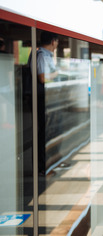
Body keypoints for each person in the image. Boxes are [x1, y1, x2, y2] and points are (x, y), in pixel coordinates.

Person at [28, 31, 59, 176]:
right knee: (43, 134)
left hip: (46, 99)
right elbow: (42, 78)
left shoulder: (45, 55)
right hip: (41, 99)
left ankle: (47, 164)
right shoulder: (41, 55)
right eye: (57, 41)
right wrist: (56, 74)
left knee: (47, 132)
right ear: (53, 41)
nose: (57, 44)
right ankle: (42, 167)